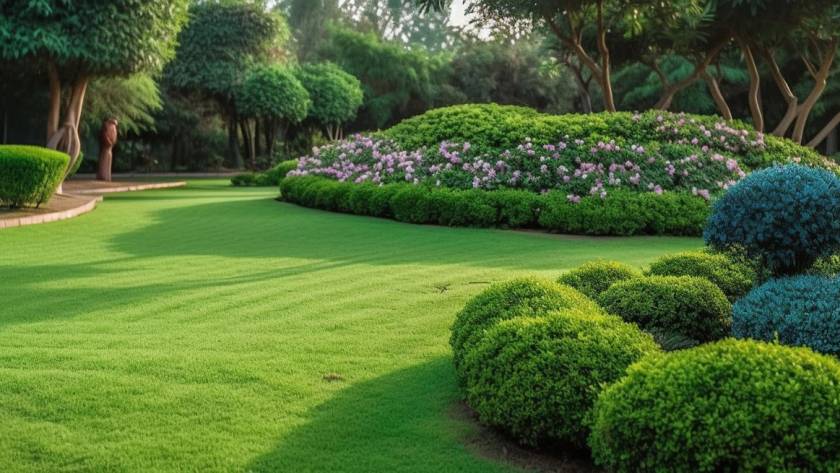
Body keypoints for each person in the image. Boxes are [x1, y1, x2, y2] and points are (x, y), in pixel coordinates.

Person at [97, 117, 118, 181]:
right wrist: (108, 141)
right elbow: (105, 135)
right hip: (106, 146)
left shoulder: (113, 126)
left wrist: (113, 142)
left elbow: (114, 135)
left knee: (109, 158)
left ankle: (107, 176)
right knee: (105, 158)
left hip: (110, 146)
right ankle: (103, 176)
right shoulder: (106, 125)